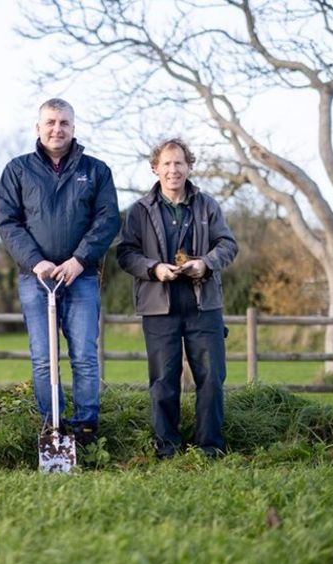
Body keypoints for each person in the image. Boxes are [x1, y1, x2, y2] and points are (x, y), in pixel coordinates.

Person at [0, 97, 120, 447]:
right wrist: (36, 262)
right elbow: (8, 223)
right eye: (50, 122)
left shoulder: (96, 170)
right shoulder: (17, 171)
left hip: (80, 277)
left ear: (73, 128)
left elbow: (108, 219)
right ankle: (52, 426)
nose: (56, 129)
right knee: (42, 359)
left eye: (63, 123)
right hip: (36, 279)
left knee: (83, 354)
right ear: (38, 128)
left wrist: (79, 260)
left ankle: (85, 428)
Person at [116, 137, 238, 458]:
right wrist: (154, 268)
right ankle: (166, 447)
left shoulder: (207, 205)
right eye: (167, 164)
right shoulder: (139, 211)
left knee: (211, 378)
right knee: (163, 381)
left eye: (179, 163)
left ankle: (209, 447)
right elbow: (126, 254)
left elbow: (227, 245)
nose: (173, 170)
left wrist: (205, 264)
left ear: (189, 166)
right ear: (155, 168)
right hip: (159, 307)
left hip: (203, 305)